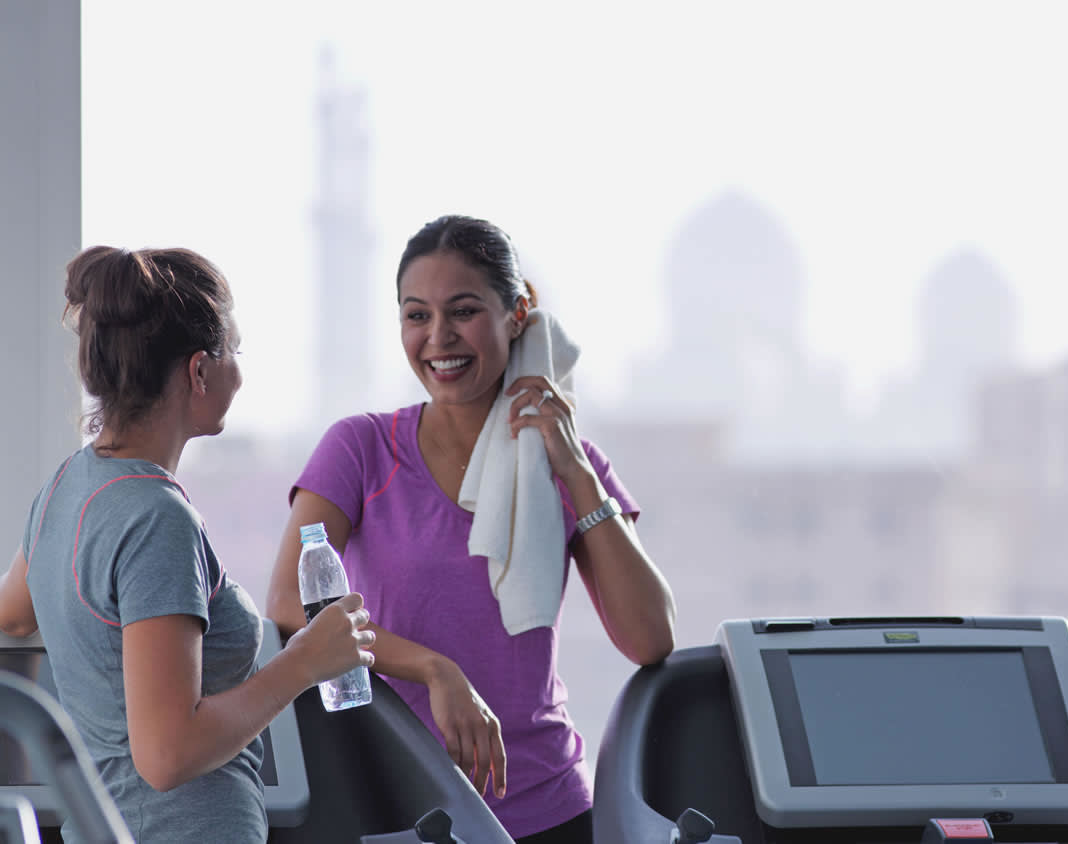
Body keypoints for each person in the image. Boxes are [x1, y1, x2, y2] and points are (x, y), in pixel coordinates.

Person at [265, 215, 676, 843]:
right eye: (417, 316)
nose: (438, 338)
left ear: (519, 312)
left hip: (550, 808)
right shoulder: (362, 448)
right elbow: (291, 603)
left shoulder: (571, 465)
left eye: (462, 311)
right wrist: (433, 667)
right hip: (401, 802)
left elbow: (651, 639)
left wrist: (575, 473)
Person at [0, 246, 376, 843]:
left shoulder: (67, 486)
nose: (241, 372)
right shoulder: (158, 520)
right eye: (237, 352)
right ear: (200, 372)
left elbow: (14, 615)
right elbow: (168, 755)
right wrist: (304, 663)